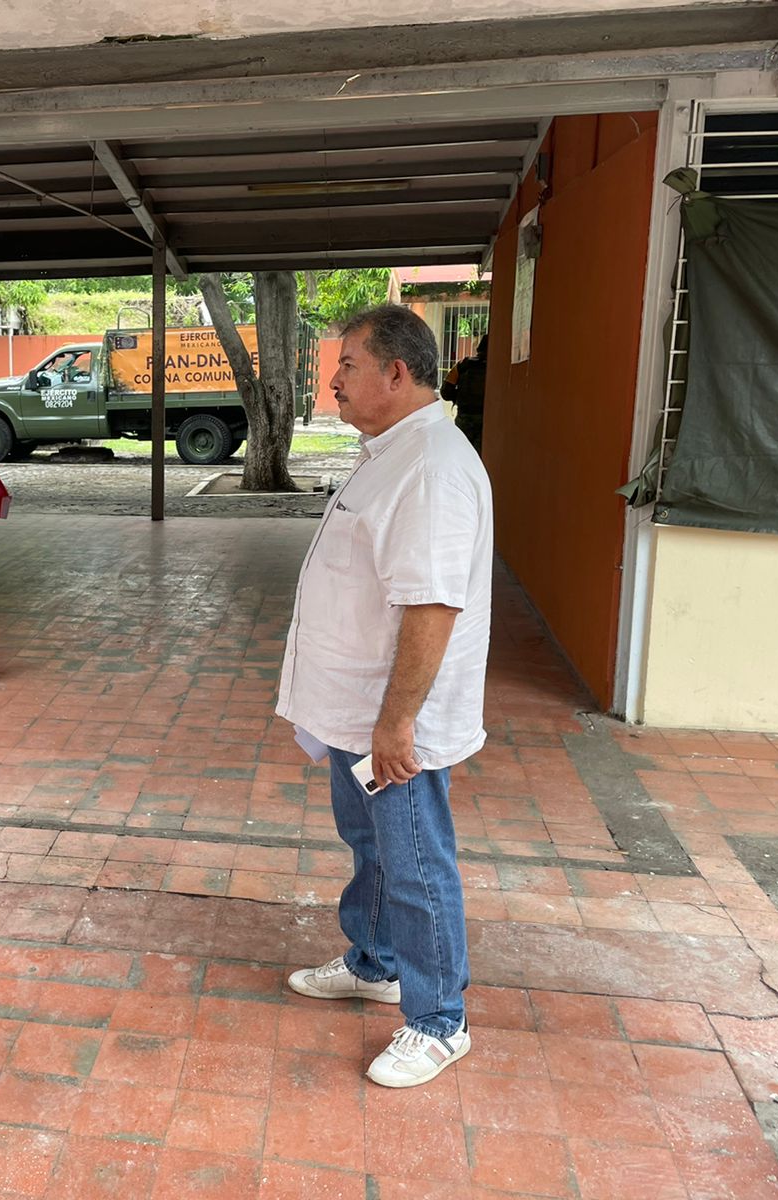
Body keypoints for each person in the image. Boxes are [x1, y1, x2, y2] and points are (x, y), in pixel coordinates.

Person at [278, 305, 492, 1089]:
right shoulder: (395, 452)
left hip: (391, 721)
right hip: (357, 712)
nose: (333, 380)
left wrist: (398, 722)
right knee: (373, 846)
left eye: (348, 365)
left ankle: (439, 1021)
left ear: (396, 373)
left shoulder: (429, 467)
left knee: (415, 866)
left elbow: (432, 606)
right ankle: (376, 961)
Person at [440, 333, 488, 451]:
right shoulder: (498, 368)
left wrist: (460, 396)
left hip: (464, 418)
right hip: (487, 419)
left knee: (462, 451)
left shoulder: (463, 365)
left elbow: (445, 392)